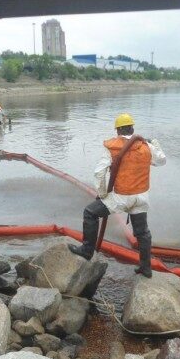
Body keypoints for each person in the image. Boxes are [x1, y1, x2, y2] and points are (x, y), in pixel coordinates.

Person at [68, 113, 166, 278]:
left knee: (90, 213)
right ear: (132, 128)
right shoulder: (146, 146)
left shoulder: (112, 147)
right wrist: (154, 143)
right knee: (142, 233)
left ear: (118, 130)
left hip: (120, 198)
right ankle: (145, 267)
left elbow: (99, 173)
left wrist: (102, 193)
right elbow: (161, 161)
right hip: (141, 198)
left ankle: (86, 251)